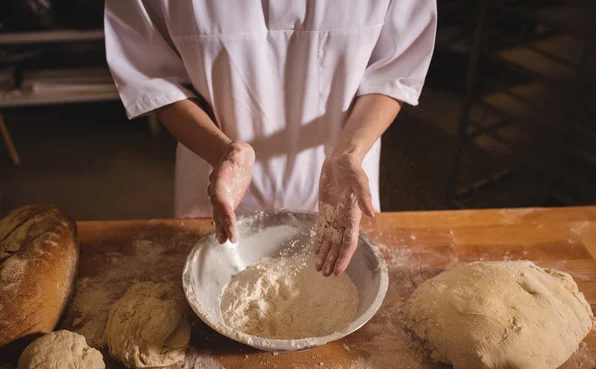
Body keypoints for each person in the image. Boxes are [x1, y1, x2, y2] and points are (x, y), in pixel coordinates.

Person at [104, 1, 437, 277]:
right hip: (217, 176)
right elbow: (154, 76)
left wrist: (349, 152)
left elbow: (393, 72)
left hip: (342, 176)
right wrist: (223, 152)